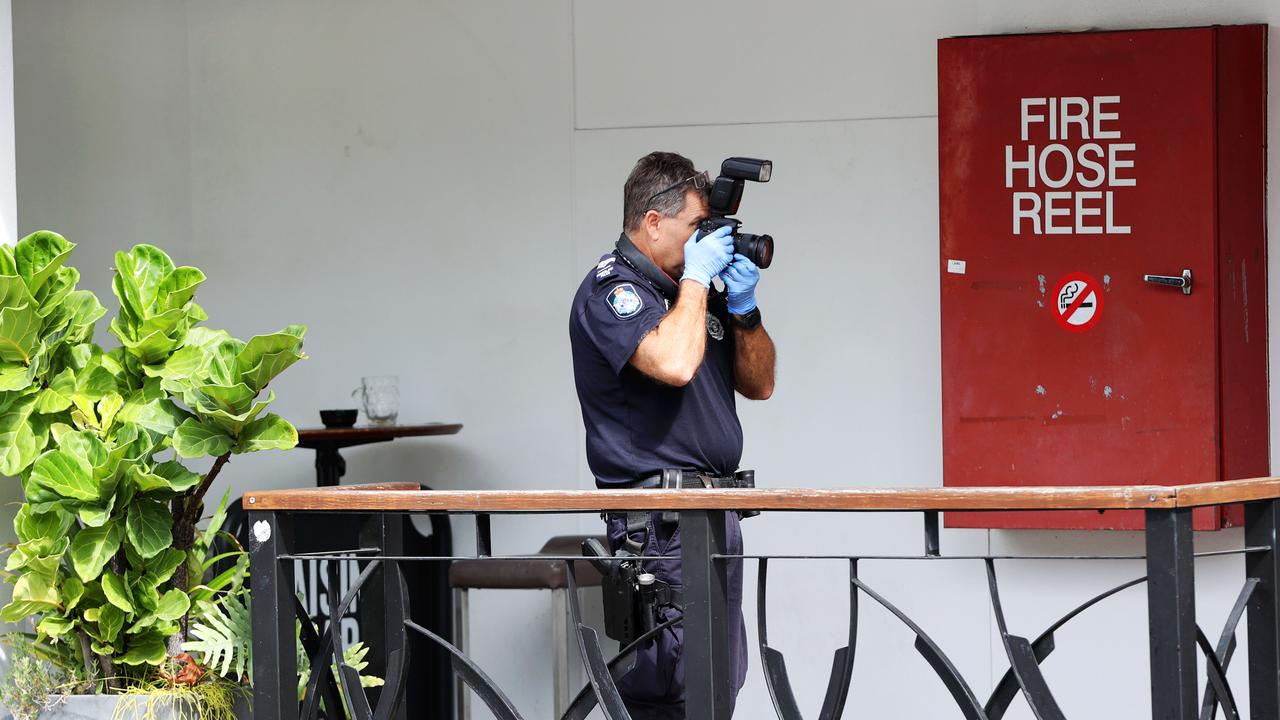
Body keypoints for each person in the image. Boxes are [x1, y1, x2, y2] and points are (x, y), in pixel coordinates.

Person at [569, 151, 776, 718]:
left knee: (719, 684)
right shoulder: (612, 289)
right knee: (671, 686)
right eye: (696, 228)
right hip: (659, 525)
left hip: (714, 513)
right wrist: (695, 280)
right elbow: (675, 364)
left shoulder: (693, 294)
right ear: (653, 222)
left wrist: (746, 310)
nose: (705, 242)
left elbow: (759, 384)